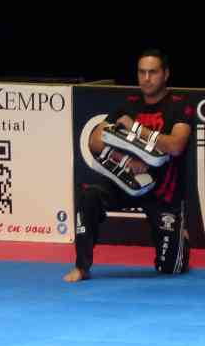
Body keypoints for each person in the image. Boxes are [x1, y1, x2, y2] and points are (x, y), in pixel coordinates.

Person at [65, 49, 194, 282]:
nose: (146, 78)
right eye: (142, 72)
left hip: (164, 193)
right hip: (126, 183)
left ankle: (180, 237)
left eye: (153, 72)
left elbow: (176, 146)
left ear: (166, 74)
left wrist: (135, 129)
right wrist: (125, 160)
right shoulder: (128, 106)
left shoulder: (179, 106)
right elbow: (95, 140)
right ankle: (82, 266)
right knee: (89, 195)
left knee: (170, 269)